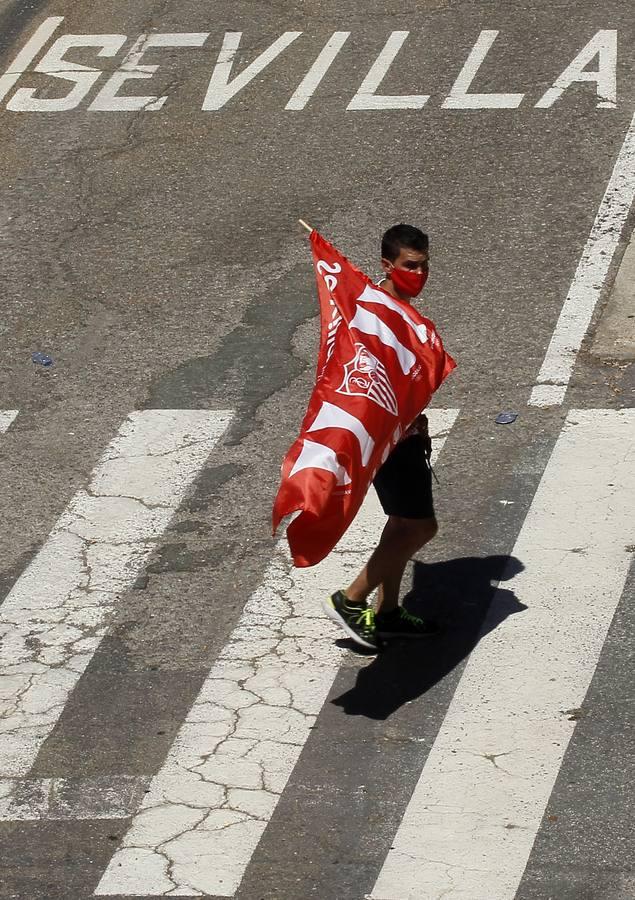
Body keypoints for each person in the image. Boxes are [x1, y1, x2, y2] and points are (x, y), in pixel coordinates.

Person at [322, 224, 441, 651]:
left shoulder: (392, 306)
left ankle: (388, 610)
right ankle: (353, 599)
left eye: (425, 264)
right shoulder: (376, 314)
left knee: (400, 523)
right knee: (421, 527)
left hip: (402, 432)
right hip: (390, 438)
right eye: (411, 265)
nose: (420, 273)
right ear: (387, 266)